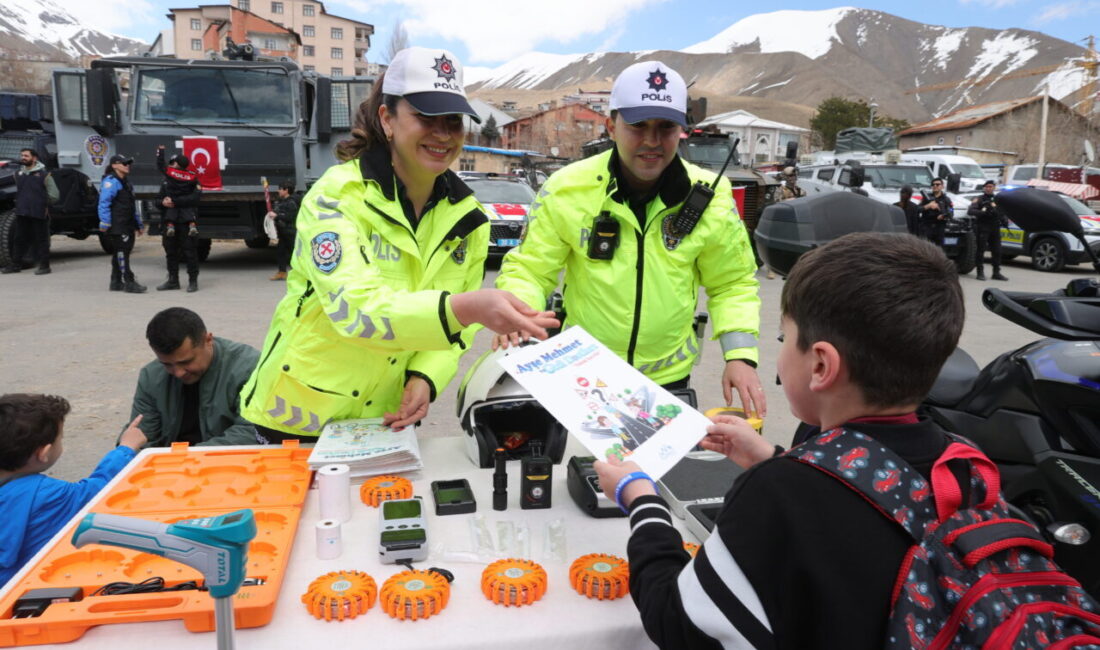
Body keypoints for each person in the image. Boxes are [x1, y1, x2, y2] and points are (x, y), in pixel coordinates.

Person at [594, 232, 966, 649]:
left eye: (783, 338)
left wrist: (640, 498)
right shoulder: (964, 465)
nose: (780, 353)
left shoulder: (779, 493)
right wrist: (772, 457)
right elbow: (869, 505)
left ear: (821, 365)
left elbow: (677, 624)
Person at [239, 47, 558, 443]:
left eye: (453, 120)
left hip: (388, 417)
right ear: (387, 119)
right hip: (298, 417)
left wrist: (425, 376)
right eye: (426, 116)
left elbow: (454, 333)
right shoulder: (337, 196)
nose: (443, 134)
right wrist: (468, 308)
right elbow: (355, 310)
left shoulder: (469, 219)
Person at [495, 61, 765, 415]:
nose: (652, 141)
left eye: (665, 127)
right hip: (584, 374)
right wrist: (518, 315)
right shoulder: (566, 189)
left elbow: (732, 283)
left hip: (669, 381)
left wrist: (740, 356)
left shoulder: (711, 196)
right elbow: (530, 270)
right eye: (638, 126)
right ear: (611, 126)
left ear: (681, 131)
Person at [0, 394, 147, 587]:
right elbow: (101, 488)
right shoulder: (48, 494)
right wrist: (126, 447)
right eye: (60, 439)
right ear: (43, 453)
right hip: (18, 591)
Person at [130, 307, 260, 446]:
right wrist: (127, 450)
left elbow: (253, 431)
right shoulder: (151, 376)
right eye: (167, 364)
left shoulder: (249, 368)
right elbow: (142, 436)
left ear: (208, 340)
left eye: (186, 362)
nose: (178, 373)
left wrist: (189, 456)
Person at [1, 148, 58, 275]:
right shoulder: (18, 174)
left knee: (42, 240)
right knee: (19, 239)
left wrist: (41, 204)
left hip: (39, 212)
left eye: (26, 155)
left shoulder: (45, 175)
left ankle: (45, 266)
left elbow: (54, 195)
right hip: (22, 212)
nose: (23, 157)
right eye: (22, 155)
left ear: (34, 158)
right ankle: (15, 265)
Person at [154, 145, 203, 293]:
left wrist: (175, 201)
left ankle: (193, 281)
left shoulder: (193, 179)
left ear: (177, 164)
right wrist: (163, 202)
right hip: (170, 221)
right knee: (170, 251)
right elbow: (157, 200)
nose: (170, 165)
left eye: (172, 163)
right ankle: (172, 280)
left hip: (186, 221)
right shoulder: (166, 181)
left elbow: (195, 198)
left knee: (190, 252)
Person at [98, 154, 147, 293]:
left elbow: (131, 206)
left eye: (128, 163)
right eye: (124, 163)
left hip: (127, 223)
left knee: (120, 253)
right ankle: (129, 282)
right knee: (122, 253)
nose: (127, 166)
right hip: (118, 224)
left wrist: (138, 224)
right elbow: (104, 203)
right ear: (114, 165)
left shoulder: (126, 182)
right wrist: (105, 222)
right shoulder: (110, 182)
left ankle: (116, 282)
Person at [969, 180, 1008, 281]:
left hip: (995, 227)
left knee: (997, 251)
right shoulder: (979, 199)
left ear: (994, 188)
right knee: (981, 250)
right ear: (984, 188)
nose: (988, 188)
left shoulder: (997, 199)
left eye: (990, 186)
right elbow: (971, 211)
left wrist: (1004, 220)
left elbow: (1002, 212)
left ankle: (996, 272)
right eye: (987, 187)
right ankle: (980, 272)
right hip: (983, 227)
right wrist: (983, 213)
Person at [267, 179, 298, 281]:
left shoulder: (292, 202)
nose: (278, 191)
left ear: (286, 190)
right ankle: (282, 272)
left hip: (290, 232)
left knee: (294, 253)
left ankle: (299, 273)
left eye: (280, 189)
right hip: (282, 231)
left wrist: (277, 215)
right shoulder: (281, 201)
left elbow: (290, 217)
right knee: (280, 252)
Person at [918, 177, 953, 246]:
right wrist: (928, 206)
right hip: (927, 226)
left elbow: (951, 210)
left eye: (937, 184)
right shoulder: (926, 198)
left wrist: (944, 215)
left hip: (939, 227)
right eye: (933, 184)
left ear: (942, 186)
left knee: (939, 248)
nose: (935, 186)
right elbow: (917, 209)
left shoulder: (946, 199)